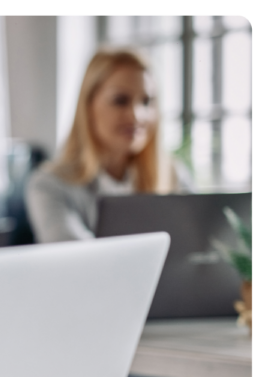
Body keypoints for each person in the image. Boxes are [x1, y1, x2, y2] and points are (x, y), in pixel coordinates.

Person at [26, 48, 191, 243]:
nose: (137, 115)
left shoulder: (174, 176)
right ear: (88, 106)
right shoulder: (50, 185)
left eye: (146, 101)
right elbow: (76, 260)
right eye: (120, 101)